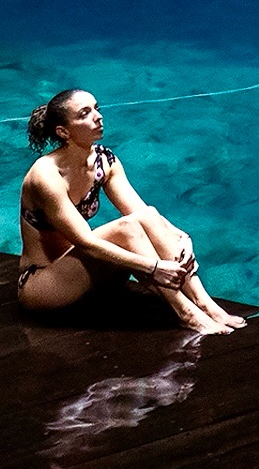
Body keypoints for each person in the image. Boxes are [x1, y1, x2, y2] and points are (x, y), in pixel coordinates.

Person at [17, 87, 245, 334]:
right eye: (84, 113)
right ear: (63, 131)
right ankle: (186, 313)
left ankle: (205, 304)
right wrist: (153, 268)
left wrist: (181, 236)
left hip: (95, 279)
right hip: (44, 285)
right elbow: (85, 242)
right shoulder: (46, 176)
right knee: (126, 228)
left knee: (145, 217)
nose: (98, 116)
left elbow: (144, 214)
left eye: (96, 108)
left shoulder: (104, 161)